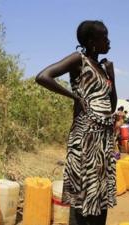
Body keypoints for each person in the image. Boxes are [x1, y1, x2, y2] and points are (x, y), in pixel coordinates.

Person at [35, 20, 117, 224]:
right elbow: (44, 76)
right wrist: (75, 97)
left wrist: (112, 76)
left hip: (104, 139)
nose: (108, 41)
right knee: (83, 194)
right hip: (86, 138)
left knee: (100, 193)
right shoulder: (78, 59)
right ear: (91, 41)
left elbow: (112, 104)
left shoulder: (103, 67)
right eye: (104, 37)